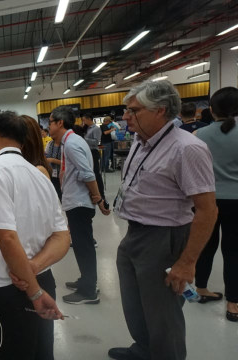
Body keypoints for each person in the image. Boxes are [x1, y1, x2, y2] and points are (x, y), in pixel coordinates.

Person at [109, 80, 217, 360]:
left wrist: (187, 262)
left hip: (164, 239)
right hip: (134, 233)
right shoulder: (140, 140)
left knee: (163, 317)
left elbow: (207, 210)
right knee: (135, 306)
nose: (125, 116)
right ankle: (144, 349)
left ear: (160, 111)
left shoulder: (186, 149)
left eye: (133, 110)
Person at [0, 110, 69, 360]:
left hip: (12, 290)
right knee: (40, 352)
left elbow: (7, 238)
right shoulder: (38, 173)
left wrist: (34, 292)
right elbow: (62, 236)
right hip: (42, 279)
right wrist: (34, 269)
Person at [48, 106, 110, 305]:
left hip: (79, 202)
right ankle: (86, 280)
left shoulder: (72, 144)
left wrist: (98, 198)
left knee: (83, 247)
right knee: (82, 246)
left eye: (50, 122)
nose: (48, 127)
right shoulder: (70, 141)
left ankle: (88, 291)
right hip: (76, 201)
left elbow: (87, 174)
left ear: (60, 123)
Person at [194, 87, 238, 322]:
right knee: (233, 252)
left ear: (210, 110)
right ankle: (233, 304)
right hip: (236, 201)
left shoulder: (198, 136)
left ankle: (201, 289)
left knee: (205, 245)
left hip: (206, 200)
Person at [82, 113, 107, 204]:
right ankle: (93, 194)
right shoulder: (87, 128)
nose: (83, 122)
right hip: (87, 152)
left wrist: (84, 138)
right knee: (89, 173)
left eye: (84, 120)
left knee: (96, 173)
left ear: (89, 119)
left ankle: (101, 194)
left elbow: (96, 142)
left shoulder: (96, 128)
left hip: (93, 152)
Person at [45, 135, 62, 201]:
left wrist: (53, 160)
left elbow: (68, 162)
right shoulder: (50, 144)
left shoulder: (65, 145)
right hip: (51, 172)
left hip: (62, 175)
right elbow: (46, 155)